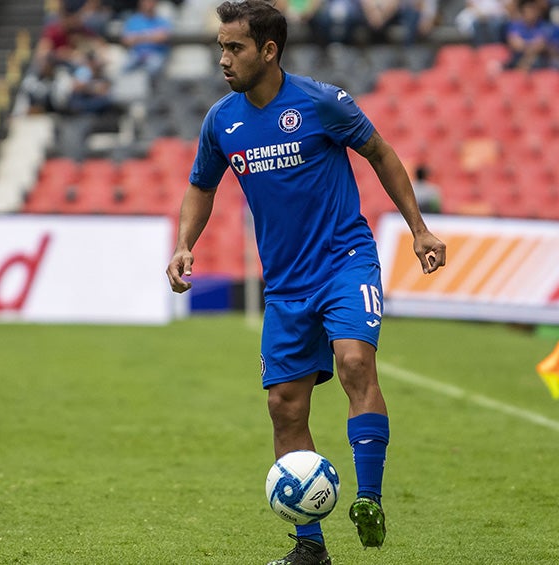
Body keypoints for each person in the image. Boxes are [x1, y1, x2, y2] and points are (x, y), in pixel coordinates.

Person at [165, 1, 447, 563]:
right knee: (284, 407)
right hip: (286, 285)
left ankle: (368, 498)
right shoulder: (222, 120)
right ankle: (309, 547)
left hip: (345, 261)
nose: (223, 58)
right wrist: (184, 244)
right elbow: (202, 185)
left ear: (269, 51)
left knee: (354, 362)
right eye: (220, 47)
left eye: (234, 47)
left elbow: (381, 154)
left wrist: (419, 230)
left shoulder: (321, 101)